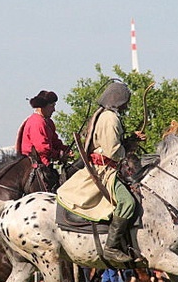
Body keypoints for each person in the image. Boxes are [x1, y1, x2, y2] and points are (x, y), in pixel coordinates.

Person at [56, 81, 146, 264]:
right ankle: (111, 247)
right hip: (104, 171)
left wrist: (131, 140)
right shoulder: (109, 118)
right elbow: (112, 151)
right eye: (125, 101)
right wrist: (128, 147)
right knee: (127, 203)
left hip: (108, 168)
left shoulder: (108, 115)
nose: (126, 105)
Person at [16, 90, 70, 167]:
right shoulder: (37, 122)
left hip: (45, 163)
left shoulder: (49, 122)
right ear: (43, 107)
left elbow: (55, 142)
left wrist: (66, 150)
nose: (54, 110)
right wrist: (59, 154)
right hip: (34, 165)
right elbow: (42, 149)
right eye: (52, 106)